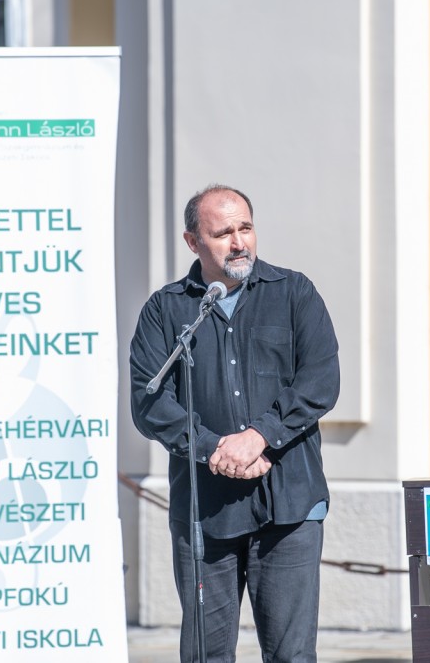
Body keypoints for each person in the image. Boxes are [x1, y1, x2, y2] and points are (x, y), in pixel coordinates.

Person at [130, 184, 340, 662]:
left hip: (288, 503)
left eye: (245, 228)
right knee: (206, 655)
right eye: (223, 233)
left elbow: (320, 380)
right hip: (205, 509)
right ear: (193, 242)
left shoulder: (294, 293)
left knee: (291, 656)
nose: (239, 242)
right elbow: (149, 401)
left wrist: (259, 436)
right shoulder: (166, 310)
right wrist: (213, 449)